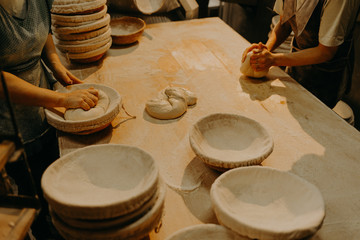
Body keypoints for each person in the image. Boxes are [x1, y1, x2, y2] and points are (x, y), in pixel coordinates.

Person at [0, 0, 99, 238]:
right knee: (29, 192)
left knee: (56, 177)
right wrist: (62, 100)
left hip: (45, 103)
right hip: (9, 122)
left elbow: (41, 32)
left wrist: (55, 64)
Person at [242, 0, 360, 108]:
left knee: (315, 120)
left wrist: (273, 60)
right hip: (297, 66)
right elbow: (285, 23)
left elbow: (326, 52)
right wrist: (264, 50)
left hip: (325, 79)